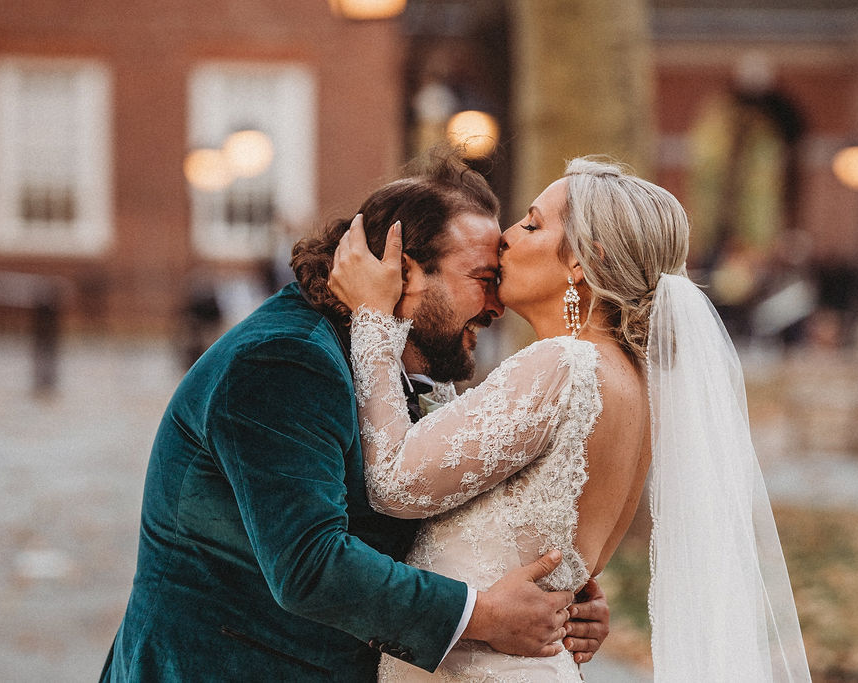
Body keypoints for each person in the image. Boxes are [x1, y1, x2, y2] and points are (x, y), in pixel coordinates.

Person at [100, 155, 609, 682]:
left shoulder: (377, 362)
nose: (495, 305)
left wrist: (555, 602)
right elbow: (309, 566)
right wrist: (485, 615)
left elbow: (424, 515)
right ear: (401, 272)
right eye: (483, 278)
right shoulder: (285, 360)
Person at [329, 156, 812, 681]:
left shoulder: (564, 364)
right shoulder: (637, 386)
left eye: (533, 223)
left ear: (583, 260)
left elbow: (395, 484)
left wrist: (375, 318)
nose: (507, 236)